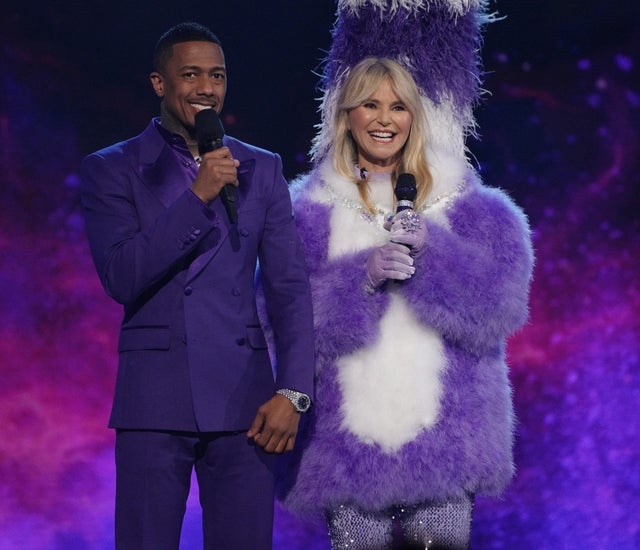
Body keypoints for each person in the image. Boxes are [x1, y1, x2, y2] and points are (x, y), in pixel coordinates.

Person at [276, 57, 533, 549]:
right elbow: (277, 326)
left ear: (415, 116)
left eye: (398, 107)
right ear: (346, 115)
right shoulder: (306, 213)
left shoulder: (474, 208)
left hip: (447, 449)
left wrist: (433, 251)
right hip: (346, 453)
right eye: (369, 104)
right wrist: (361, 278)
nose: (384, 119)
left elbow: (502, 309)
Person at [80, 22, 314, 550]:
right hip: (154, 401)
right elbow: (121, 275)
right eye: (190, 75)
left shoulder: (262, 168)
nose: (206, 88)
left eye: (217, 75)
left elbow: (290, 290)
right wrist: (197, 197)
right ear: (159, 83)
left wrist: (294, 392)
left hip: (246, 404)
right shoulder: (113, 168)